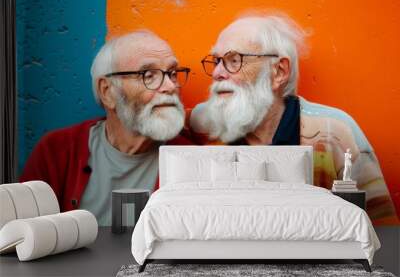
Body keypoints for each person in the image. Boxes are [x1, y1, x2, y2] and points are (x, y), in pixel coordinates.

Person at [189, 13, 398, 223]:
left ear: (279, 72)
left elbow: (381, 227)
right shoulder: (208, 122)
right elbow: (162, 119)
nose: (216, 72)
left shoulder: (336, 132)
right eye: (216, 61)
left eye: (234, 60)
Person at [20, 30, 192, 225]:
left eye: (173, 73)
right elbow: (22, 236)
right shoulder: (56, 151)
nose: (170, 86)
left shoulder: (190, 158)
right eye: (148, 75)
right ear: (108, 92)